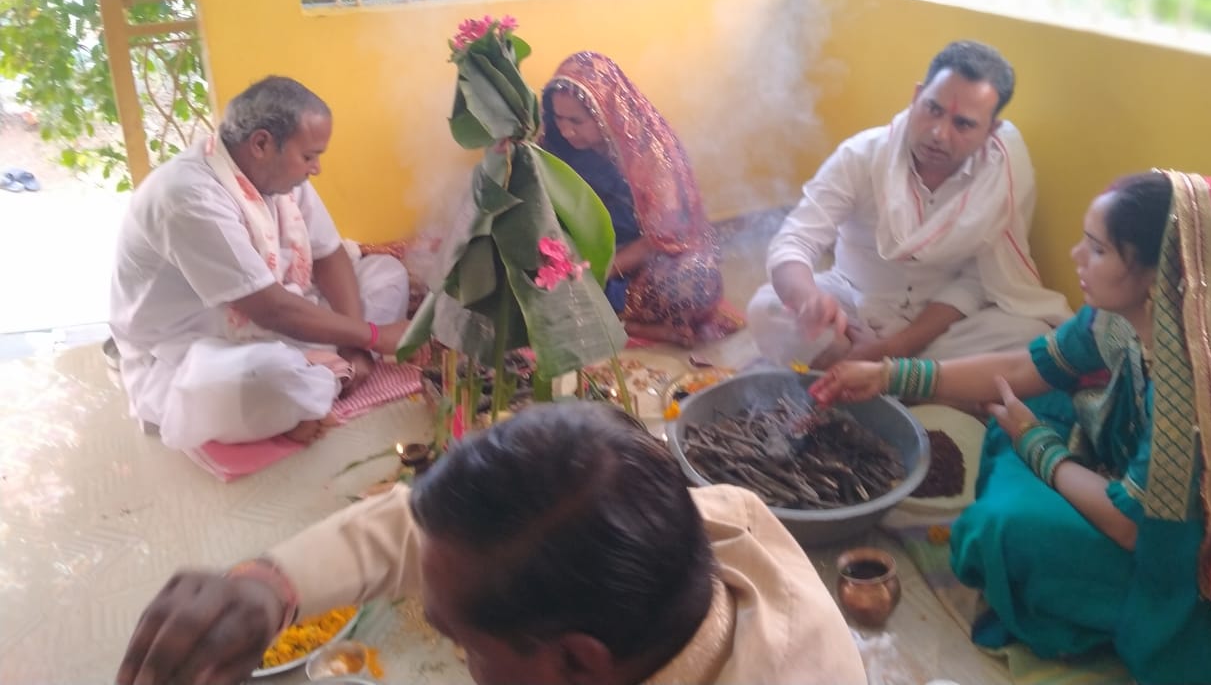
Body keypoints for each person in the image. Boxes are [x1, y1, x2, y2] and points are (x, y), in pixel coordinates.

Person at [810, 171, 1211, 685]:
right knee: (1039, 397)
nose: (1077, 256)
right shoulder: (1119, 319)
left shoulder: (1185, 387)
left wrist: (1039, 448)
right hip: (1124, 474)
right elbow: (1027, 368)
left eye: (1097, 249)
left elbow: (1132, 527)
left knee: (1000, 529)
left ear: (1157, 273)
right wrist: (889, 374)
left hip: (1173, 554)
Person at [114, 402, 867, 685]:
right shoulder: (705, 520)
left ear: (576, 662)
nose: (461, 663)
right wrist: (270, 586)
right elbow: (428, 532)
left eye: (466, 647)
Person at [109, 76, 411, 450]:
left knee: (387, 274)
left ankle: (326, 377)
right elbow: (270, 309)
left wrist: (356, 344)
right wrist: (374, 336)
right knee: (269, 377)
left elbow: (328, 254)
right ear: (262, 144)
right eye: (309, 156)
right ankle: (311, 386)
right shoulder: (187, 196)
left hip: (286, 315)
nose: (316, 168)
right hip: (198, 349)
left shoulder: (278, 175)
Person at [748, 39, 1070, 370]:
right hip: (852, 305)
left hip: (936, 327)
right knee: (766, 308)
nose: (939, 133)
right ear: (917, 96)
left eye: (963, 124)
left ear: (991, 129)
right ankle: (915, 381)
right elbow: (795, 240)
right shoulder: (861, 155)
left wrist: (897, 345)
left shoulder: (1002, 176)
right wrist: (808, 300)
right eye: (933, 109)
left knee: (1032, 335)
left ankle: (877, 375)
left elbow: (978, 281)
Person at [541, 51, 737, 346]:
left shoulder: (652, 153)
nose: (566, 130)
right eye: (558, 118)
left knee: (697, 278)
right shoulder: (556, 146)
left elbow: (663, 238)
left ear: (605, 113)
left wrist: (602, 271)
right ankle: (639, 326)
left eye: (576, 121)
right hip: (583, 261)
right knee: (526, 275)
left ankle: (618, 320)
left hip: (641, 266)